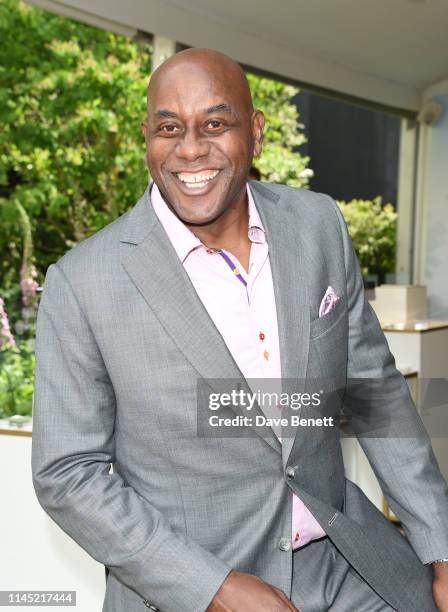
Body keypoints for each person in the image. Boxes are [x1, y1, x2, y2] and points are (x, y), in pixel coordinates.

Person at [31, 48, 448, 612]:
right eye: (169, 127)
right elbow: (68, 475)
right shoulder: (83, 282)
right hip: (194, 588)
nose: (191, 148)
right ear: (147, 138)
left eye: (215, 123)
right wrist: (212, 589)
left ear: (254, 132)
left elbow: (377, 396)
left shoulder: (316, 224)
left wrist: (438, 545)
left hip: (350, 566)